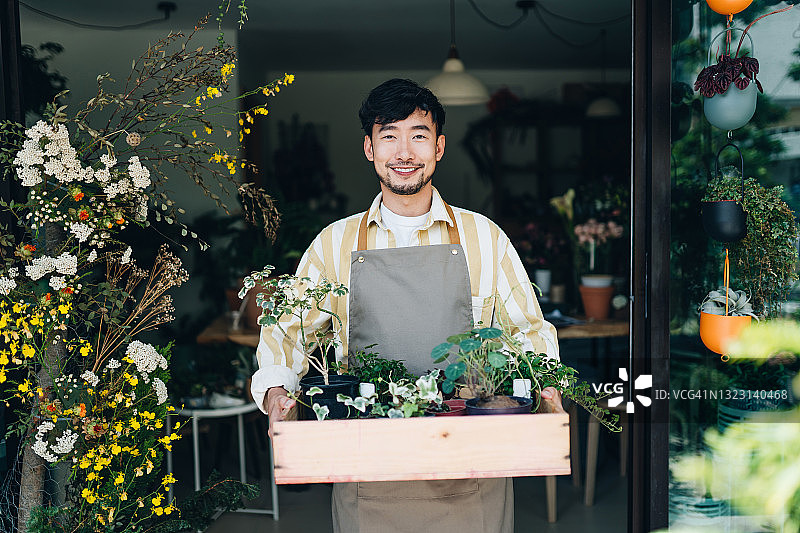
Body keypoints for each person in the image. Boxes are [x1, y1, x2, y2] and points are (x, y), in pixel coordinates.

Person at [250, 78, 562, 533]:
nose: (403, 151)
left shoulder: (485, 239)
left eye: (417, 135)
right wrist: (277, 391)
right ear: (369, 149)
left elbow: (529, 331)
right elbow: (287, 334)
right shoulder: (333, 244)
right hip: (367, 474)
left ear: (438, 147)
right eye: (389, 135)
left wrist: (547, 388)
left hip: (472, 469)